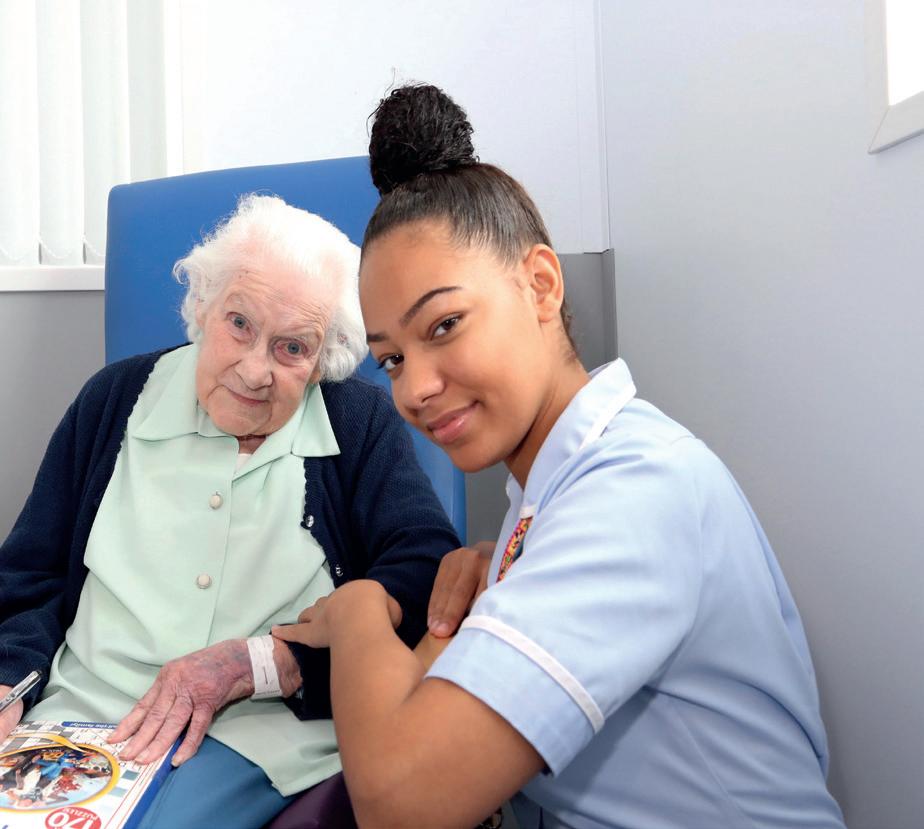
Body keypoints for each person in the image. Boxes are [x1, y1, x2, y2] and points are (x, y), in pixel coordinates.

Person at [274, 85, 847, 829]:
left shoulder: (637, 490)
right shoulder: (549, 496)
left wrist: (356, 609)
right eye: (391, 360)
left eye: (444, 325)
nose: (413, 389)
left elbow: (401, 804)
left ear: (541, 285)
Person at [0, 193, 460, 827]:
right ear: (203, 306)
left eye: (292, 347)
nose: (254, 370)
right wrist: (11, 678)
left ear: (322, 361)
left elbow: (424, 573)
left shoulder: (357, 424)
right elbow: (29, 575)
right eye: (239, 323)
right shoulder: (112, 400)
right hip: (81, 715)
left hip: (259, 735)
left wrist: (268, 664)